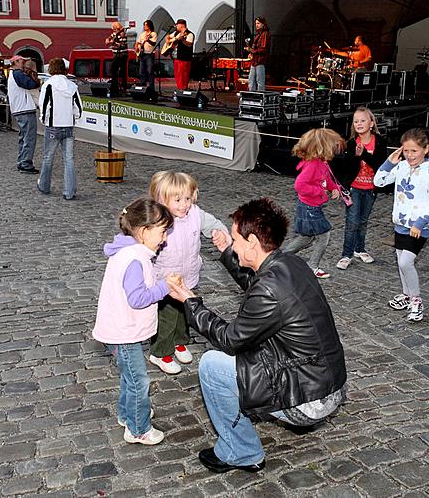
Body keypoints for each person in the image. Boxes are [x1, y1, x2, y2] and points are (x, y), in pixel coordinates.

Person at [167, 197, 347, 474]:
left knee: (212, 365)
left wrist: (191, 302)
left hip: (310, 401)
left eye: (235, 238)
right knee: (244, 355)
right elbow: (259, 286)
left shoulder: (269, 289)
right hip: (328, 384)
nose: (233, 241)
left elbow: (229, 338)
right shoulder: (290, 263)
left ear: (252, 242)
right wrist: (229, 253)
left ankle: (241, 452)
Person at [91, 197, 179, 445]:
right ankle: (138, 428)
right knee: (139, 381)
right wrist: (165, 287)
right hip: (123, 332)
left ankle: (127, 414)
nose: (165, 238)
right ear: (143, 231)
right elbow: (138, 298)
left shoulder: (129, 251)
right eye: (162, 231)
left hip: (120, 330)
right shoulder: (134, 259)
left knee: (128, 377)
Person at [147, 171, 230, 374]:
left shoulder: (194, 212)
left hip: (188, 277)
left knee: (185, 312)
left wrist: (219, 232)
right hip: (164, 281)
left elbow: (212, 223)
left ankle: (180, 342)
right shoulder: (157, 220)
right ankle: (160, 352)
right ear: (161, 199)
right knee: (166, 318)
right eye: (177, 200)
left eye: (187, 198)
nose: (184, 204)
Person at [374, 128, 429, 322]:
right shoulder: (402, 167)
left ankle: (416, 299)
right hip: (401, 224)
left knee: (406, 262)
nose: (410, 155)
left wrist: (420, 222)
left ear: (426, 149)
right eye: (406, 151)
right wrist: (389, 162)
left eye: (414, 151)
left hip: (419, 227)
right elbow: (378, 182)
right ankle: (406, 294)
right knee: (400, 261)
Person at [283, 128, 345, 279]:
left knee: (306, 237)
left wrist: (334, 188)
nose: (335, 150)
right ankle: (313, 266)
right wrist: (320, 192)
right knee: (324, 235)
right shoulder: (313, 164)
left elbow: (326, 180)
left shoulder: (321, 163)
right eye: (333, 146)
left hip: (310, 207)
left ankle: (280, 258)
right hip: (309, 208)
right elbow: (300, 185)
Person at [335, 106, 388, 269]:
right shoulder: (351, 143)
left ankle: (360, 249)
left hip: (371, 188)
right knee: (352, 221)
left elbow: (380, 164)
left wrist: (364, 154)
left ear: (371, 123)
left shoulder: (380, 141)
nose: (359, 123)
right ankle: (346, 254)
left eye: (362, 120)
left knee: (363, 221)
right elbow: (346, 168)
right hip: (354, 188)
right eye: (355, 121)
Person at [37, 58, 83, 201]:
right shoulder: (72, 86)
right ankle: (69, 192)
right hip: (68, 126)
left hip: (53, 126)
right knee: (68, 159)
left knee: (48, 157)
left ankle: (44, 186)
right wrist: (74, 119)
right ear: (64, 69)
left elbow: (44, 105)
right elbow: (79, 107)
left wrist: (44, 120)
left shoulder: (48, 85)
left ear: (50, 68)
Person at [8, 54, 41, 174]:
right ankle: (25, 163)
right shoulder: (18, 74)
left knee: (24, 137)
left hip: (20, 108)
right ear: (16, 62)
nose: (24, 63)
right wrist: (35, 76)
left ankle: (22, 161)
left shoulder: (13, 74)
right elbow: (32, 84)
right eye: (22, 61)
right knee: (29, 137)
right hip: (25, 109)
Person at [246, 17, 270, 92]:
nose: (256, 25)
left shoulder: (265, 34)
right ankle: (252, 97)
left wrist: (251, 51)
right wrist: (251, 53)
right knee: (251, 80)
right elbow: (256, 47)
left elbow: (263, 49)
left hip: (260, 61)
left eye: (258, 23)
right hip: (255, 61)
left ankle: (260, 98)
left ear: (263, 24)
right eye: (256, 23)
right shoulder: (258, 34)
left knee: (260, 81)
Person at [169, 19, 194, 90]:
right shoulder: (176, 33)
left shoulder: (189, 34)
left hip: (185, 58)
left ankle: (183, 90)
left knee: (183, 76)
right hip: (176, 58)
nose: (176, 26)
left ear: (181, 25)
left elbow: (189, 44)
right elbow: (168, 36)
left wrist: (182, 39)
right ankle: (179, 89)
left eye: (177, 25)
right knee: (177, 76)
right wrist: (168, 40)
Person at [105, 21, 129, 92]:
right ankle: (114, 86)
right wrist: (108, 40)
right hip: (116, 54)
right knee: (114, 71)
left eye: (114, 28)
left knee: (122, 71)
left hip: (122, 55)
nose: (113, 30)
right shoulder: (114, 34)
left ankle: (123, 87)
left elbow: (121, 45)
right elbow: (108, 39)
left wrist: (113, 42)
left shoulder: (122, 34)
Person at [136, 20, 157, 87]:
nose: (144, 26)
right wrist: (136, 47)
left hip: (149, 54)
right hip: (142, 54)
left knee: (150, 71)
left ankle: (151, 87)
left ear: (149, 26)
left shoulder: (153, 34)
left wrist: (147, 40)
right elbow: (138, 42)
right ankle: (143, 85)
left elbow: (153, 43)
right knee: (142, 71)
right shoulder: (142, 34)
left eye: (145, 25)